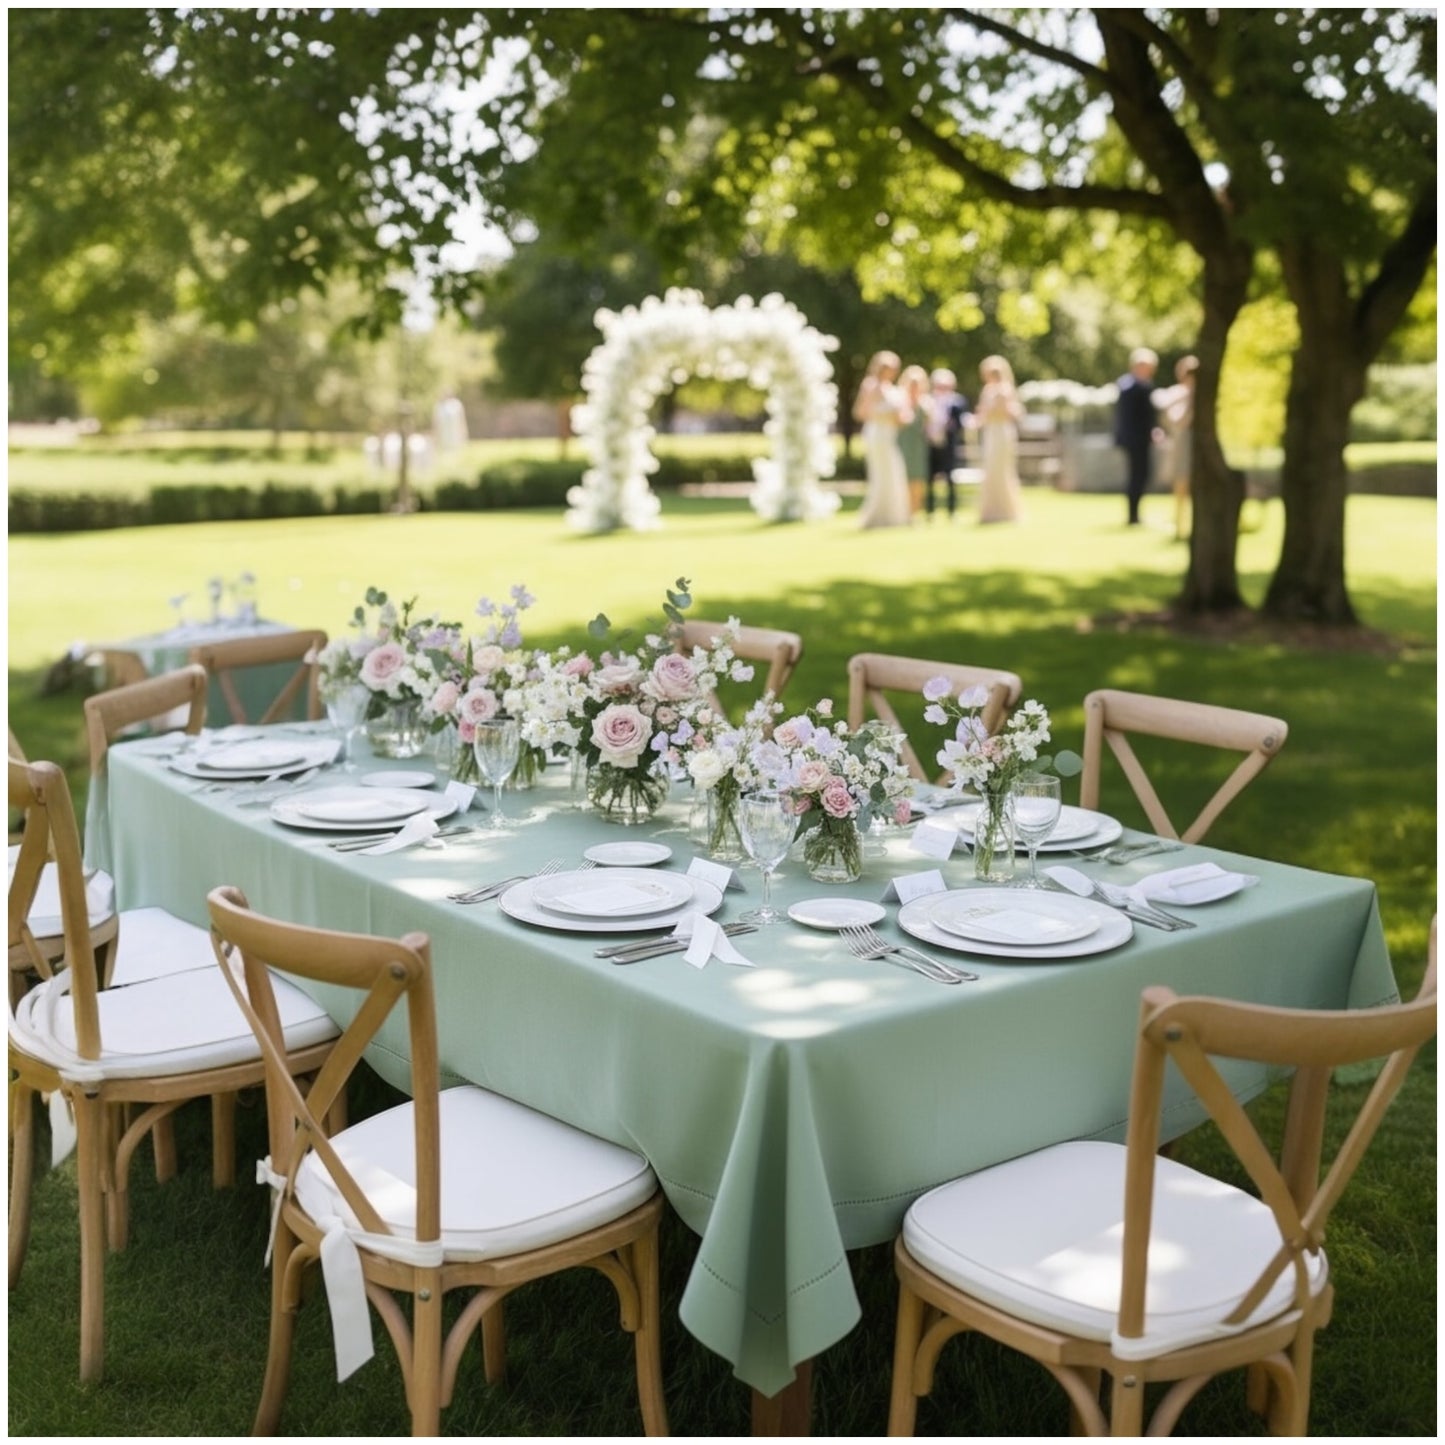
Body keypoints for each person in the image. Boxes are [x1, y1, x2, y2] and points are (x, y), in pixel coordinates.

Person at [853, 350, 913, 529]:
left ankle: (895, 516)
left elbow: (900, 419)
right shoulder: (870, 385)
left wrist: (900, 417)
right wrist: (883, 413)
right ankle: (878, 516)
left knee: (894, 471)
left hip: (890, 434)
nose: (892, 372)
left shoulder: (894, 389)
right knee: (881, 473)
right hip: (877, 434)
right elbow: (860, 413)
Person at [974, 355, 1025, 524]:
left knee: (1002, 469)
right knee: (990, 469)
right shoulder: (987, 391)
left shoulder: (1005, 390)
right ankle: (991, 511)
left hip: (1002, 433)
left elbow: (1010, 413)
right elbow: (982, 414)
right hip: (991, 433)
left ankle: (1006, 511)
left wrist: (992, 411)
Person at [1114, 346, 1160, 526]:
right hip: (1135, 439)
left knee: (1141, 476)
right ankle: (1133, 516)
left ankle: (1135, 515)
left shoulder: (1140, 385)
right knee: (1137, 476)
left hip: (1140, 439)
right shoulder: (1131, 386)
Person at [1158, 354, 1198, 540]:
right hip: (1182, 444)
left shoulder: (1204, 396)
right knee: (1181, 483)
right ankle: (1179, 524)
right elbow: (1175, 421)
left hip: (1198, 445)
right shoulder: (1176, 394)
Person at [924, 367, 968, 521]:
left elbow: (960, 424)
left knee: (950, 477)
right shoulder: (927, 401)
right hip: (930, 444)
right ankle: (929, 510)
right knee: (929, 478)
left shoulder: (957, 402)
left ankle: (951, 510)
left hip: (948, 444)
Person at [896, 365, 932, 516]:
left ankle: (915, 511)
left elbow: (929, 426)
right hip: (901, 443)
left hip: (918, 445)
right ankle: (902, 511)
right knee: (901, 476)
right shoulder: (899, 400)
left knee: (917, 478)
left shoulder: (926, 403)